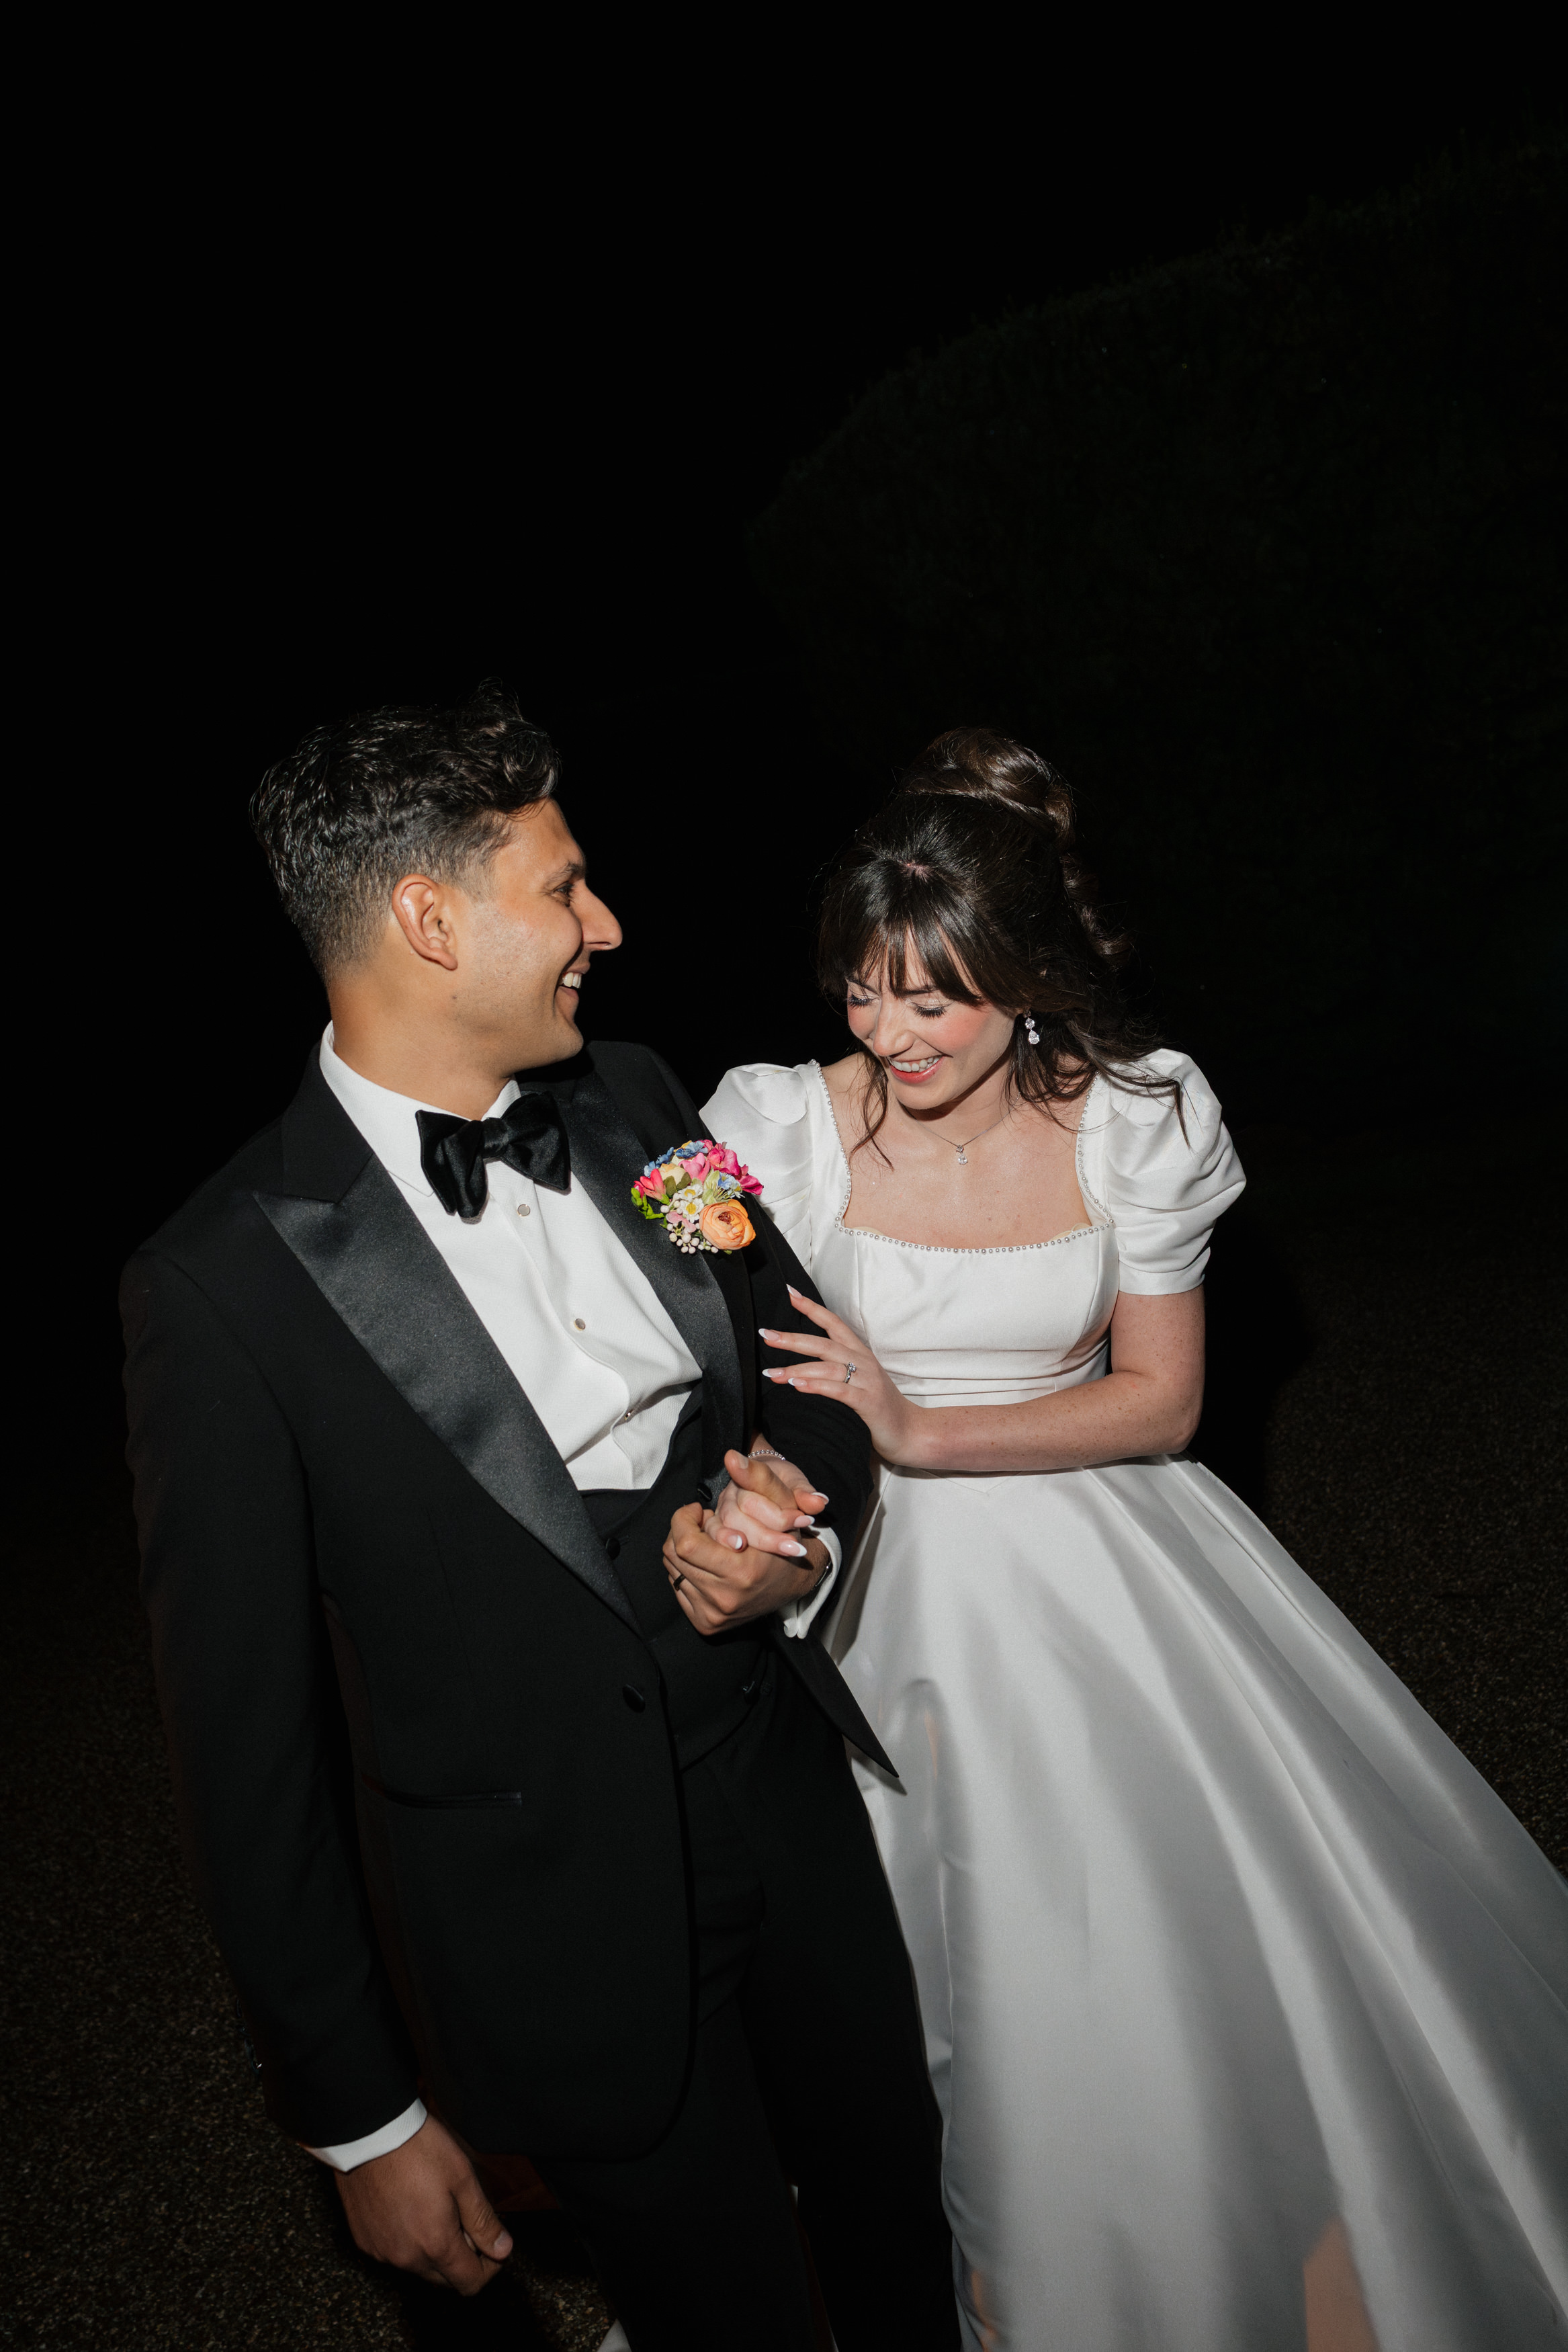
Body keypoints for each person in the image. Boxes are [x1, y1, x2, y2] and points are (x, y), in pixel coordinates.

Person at [702, 728, 1568, 2352]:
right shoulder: (756, 1121)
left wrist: (924, 1427)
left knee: (1144, 1992)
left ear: (1028, 976)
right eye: (863, 989)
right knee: (882, 2012)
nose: (889, 1033)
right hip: (845, 1598)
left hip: (1092, 1581)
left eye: (933, 996)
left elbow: (1163, 1403)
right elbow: (677, 1323)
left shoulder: (1145, 1113)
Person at [120, 684, 957, 2352]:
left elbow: (796, 1363)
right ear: (429, 920)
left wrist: (785, 1505)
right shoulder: (221, 1288)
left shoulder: (639, 1101)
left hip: (784, 1807)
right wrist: (355, 2115)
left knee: (897, 2220)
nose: (609, 924)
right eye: (565, 887)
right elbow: (248, 1749)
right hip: (551, 1910)